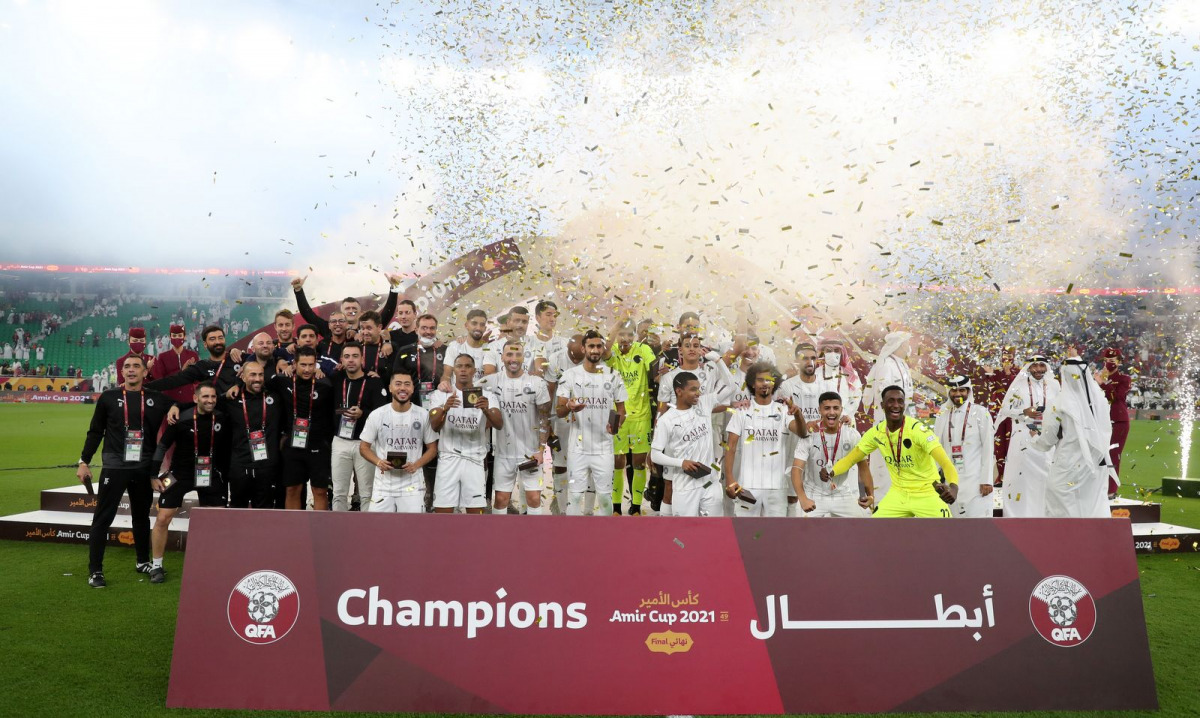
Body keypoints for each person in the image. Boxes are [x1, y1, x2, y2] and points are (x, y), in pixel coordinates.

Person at [76, 355, 174, 587]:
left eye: (136, 367)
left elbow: (185, 406)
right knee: (103, 519)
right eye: (127, 367)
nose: (131, 370)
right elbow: (95, 431)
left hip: (143, 468)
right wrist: (83, 461)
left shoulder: (156, 399)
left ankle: (142, 561)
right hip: (115, 466)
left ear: (144, 372)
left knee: (141, 517)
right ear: (122, 373)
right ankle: (95, 571)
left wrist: (175, 408)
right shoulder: (108, 397)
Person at [826, 386, 960, 517]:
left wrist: (953, 488)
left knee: (945, 534)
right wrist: (831, 472)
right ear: (882, 404)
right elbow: (850, 459)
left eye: (900, 401)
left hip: (927, 493)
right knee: (872, 531)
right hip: (898, 494)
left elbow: (946, 463)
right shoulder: (877, 433)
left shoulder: (918, 430)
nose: (896, 405)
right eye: (891, 401)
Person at [149, 381, 230, 583]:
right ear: (195, 399)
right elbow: (162, 446)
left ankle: (214, 563)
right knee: (162, 518)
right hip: (179, 474)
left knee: (218, 521)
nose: (210, 400)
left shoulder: (222, 418)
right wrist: (153, 475)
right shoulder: (181, 420)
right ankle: (156, 566)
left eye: (213, 397)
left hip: (210, 474)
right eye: (205, 397)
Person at [556, 330, 628, 516]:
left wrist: (617, 424)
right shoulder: (570, 375)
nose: (595, 350)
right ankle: (573, 538)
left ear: (603, 348)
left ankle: (605, 538)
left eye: (599, 346)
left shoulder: (613, 375)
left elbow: (622, 410)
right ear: (583, 348)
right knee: (575, 497)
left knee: (604, 497)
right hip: (577, 448)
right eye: (591, 346)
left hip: (604, 447)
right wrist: (570, 407)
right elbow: (559, 410)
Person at [1032, 356, 1113, 518]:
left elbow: (1047, 439)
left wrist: (1035, 438)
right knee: (1093, 502)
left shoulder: (1060, 403)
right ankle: (1093, 539)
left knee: (1059, 497)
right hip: (1097, 463)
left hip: (1068, 463)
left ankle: (1067, 540)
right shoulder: (1101, 400)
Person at [724, 362, 808, 517]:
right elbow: (731, 447)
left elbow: (803, 433)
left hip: (776, 487)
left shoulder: (783, 411)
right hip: (747, 486)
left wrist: (797, 414)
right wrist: (729, 478)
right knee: (745, 535)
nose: (765, 383)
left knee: (775, 537)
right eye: (760, 380)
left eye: (769, 379)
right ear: (752, 384)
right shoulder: (742, 411)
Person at [429, 354, 502, 513]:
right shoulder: (441, 395)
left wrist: (486, 410)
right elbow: (434, 426)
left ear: (474, 371)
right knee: (443, 512)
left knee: (475, 514)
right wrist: (444, 409)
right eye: (459, 366)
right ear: (453, 370)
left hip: (474, 459)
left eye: (468, 366)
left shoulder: (487, 396)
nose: (463, 370)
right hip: (448, 458)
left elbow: (499, 424)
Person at [359, 370, 439, 513]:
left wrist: (416, 465)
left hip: (412, 486)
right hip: (383, 486)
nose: (403, 388)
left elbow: (433, 448)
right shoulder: (377, 415)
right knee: (377, 531)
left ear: (413, 389)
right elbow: (364, 447)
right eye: (398, 384)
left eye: (407, 384)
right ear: (390, 388)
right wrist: (378, 462)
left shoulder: (423, 415)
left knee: (412, 531)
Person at [652, 371, 729, 517]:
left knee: (712, 530)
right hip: (685, 486)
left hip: (709, 482)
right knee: (685, 534)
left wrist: (718, 361)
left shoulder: (704, 404)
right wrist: (681, 463)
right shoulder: (666, 420)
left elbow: (730, 386)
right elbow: (655, 455)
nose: (698, 393)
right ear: (679, 391)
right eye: (693, 389)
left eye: (699, 389)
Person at [269, 347, 335, 510]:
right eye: (303, 365)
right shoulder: (282, 381)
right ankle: (293, 531)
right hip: (293, 445)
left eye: (311, 365)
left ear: (315, 365)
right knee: (292, 489)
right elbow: (256, 382)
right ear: (295, 364)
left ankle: (320, 531)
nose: (307, 369)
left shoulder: (325, 385)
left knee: (319, 491)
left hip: (318, 446)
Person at [491, 341, 552, 514]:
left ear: (524, 357)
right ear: (502, 357)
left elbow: (544, 417)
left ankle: (536, 538)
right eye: (509, 354)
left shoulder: (536, 383)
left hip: (530, 452)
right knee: (501, 500)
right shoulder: (491, 382)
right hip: (503, 453)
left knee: (534, 499)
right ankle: (499, 539)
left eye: (518, 354)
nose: (513, 359)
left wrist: (541, 449)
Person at [329, 342, 389, 511]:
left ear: (362, 359)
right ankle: (338, 532)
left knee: (367, 493)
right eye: (346, 357)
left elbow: (382, 414)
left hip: (365, 443)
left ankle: (367, 534)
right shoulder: (335, 379)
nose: (351, 360)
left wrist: (363, 413)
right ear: (341, 359)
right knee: (339, 493)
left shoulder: (374, 382)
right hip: (340, 441)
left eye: (355, 356)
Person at [998, 353, 1060, 518]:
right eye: (1035, 366)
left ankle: (1045, 516)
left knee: (1046, 478)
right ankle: (1018, 517)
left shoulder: (1054, 386)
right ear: (1029, 367)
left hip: (1047, 439)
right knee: (1021, 479)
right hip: (1023, 436)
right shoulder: (1019, 386)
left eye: (1041, 366)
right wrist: (1023, 413)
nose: (1038, 369)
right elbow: (1005, 409)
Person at [793, 391, 873, 517]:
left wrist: (869, 495)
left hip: (842, 494)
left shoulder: (852, 434)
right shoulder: (809, 434)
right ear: (819, 410)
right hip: (813, 494)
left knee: (865, 521)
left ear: (841, 410)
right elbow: (796, 469)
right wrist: (803, 499)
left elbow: (863, 469)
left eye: (836, 408)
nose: (831, 412)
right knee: (800, 531)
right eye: (826, 408)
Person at [605, 321, 657, 514]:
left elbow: (654, 369)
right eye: (621, 334)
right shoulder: (613, 352)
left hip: (641, 415)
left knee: (638, 463)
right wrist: (615, 326)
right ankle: (616, 506)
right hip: (616, 414)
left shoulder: (643, 349)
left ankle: (635, 505)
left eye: (629, 334)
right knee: (617, 462)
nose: (625, 338)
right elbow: (604, 353)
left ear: (635, 335)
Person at [220, 361, 284, 509]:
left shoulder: (275, 398)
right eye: (253, 375)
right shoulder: (231, 399)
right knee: (237, 511)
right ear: (242, 377)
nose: (257, 379)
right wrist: (176, 406)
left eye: (261, 374)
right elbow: (205, 405)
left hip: (266, 466)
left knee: (265, 511)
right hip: (240, 466)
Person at [861, 330, 915, 501]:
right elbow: (882, 395)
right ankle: (882, 502)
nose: (909, 348)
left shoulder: (902, 364)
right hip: (888, 423)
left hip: (903, 422)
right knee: (884, 463)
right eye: (906, 344)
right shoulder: (886, 364)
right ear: (898, 346)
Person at [932, 376, 996, 518]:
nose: (958, 394)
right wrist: (935, 477)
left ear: (969, 391)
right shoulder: (943, 414)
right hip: (951, 480)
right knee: (953, 521)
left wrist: (986, 480)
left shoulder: (980, 412)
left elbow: (988, 447)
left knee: (976, 521)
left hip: (975, 478)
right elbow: (936, 446)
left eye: (962, 390)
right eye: (954, 390)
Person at [291, 273, 402, 342]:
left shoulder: (367, 329)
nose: (351, 311)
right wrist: (298, 291)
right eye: (347, 309)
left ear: (360, 313)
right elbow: (308, 314)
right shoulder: (330, 329)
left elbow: (387, 312)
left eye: (354, 309)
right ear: (341, 312)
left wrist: (394, 289)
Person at [544, 333, 584, 514]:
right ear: (567, 348)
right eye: (573, 356)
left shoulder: (592, 359)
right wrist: (547, 420)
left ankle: (580, 505)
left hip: (584, 419)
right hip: (559, 416)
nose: (576, 360)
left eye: (579, 357)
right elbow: (549, 391)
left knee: (583, 462)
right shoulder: (556, 359)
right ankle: (560, 505)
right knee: (560, 462)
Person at [146, 325, 241, 394]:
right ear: (205, 344)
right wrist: (143, 388)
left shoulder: (239, 358)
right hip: (213, 414)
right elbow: (173, 380)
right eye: (212, 339)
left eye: (220, 338)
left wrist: (234, 350)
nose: (217, 342)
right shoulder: (201, 366)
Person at [1097, 347, 1131, 495]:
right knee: (1097, 454)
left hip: (1118, 421)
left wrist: (1103, 382)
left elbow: (1117, 397)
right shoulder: (1096, 377)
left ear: (1119, 362)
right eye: (1106, 361)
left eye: (1112, 361)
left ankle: (1111, 490)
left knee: (1113, 455)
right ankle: (1098, 487)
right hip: (1099, 421)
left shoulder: (1124, 379)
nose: (1108, 364)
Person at [442, 308, 498, 386]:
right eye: (474, 323)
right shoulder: (455, 346)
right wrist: (444, 386)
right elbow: (446, 376)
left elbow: (490, 377)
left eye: (482, 325)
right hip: (458, 395)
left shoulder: (490, 349)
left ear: (485, 328)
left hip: (482, 396)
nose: (478, 328)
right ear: (466, 325)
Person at [148, 323, 200, 405]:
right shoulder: (162, 357)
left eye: (180, 335)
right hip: (169, 400)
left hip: (189, 398)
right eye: (174, 336)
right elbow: (161, 379)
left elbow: (197, 379)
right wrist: (182, 371)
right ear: (170, 337)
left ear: (185, 337)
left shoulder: (192, 355)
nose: (177, 338)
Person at [815, 336, 863, 419]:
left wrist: (843, 414)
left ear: (841, 353)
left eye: (836, 351)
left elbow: (856, 396)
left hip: (845, 419)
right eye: (829, 351)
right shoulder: (816, 374)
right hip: (821, 419)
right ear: (823, 353)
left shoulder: (851, 374)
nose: (833, 353)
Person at [356, 310, 392, 382]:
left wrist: (380, 378)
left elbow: (396, 375)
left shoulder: (390, 347)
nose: (365, 332)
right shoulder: (356, 347)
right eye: (362, 328)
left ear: (379, 327)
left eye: (369, 328)